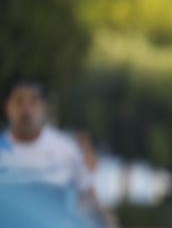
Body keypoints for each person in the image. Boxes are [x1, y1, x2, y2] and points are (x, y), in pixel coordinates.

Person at [0, 77, 99, 216]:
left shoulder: (66, 149)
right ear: (7, 108)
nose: (26, 109)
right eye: (19, 101)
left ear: (44, 108)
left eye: (33, 102)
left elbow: (88, 195)